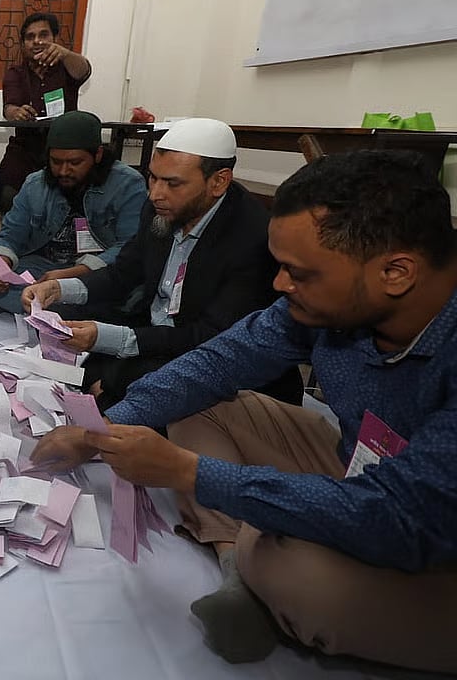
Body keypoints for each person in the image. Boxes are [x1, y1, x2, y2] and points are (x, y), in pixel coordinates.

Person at [32, 150, 457, 674]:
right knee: (197, 406)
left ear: (396, 272)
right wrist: (107, 427)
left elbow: (403, 518)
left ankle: (253, 565)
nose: (279, 285)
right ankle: (239, 567)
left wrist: (192, 474)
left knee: (294, 573)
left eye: (299, 273)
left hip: (428, 532)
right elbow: (218, 362)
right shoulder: (325, 305)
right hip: (364, 468)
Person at [22, 118, 301, 409]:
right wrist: (59, 289)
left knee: (120, 386)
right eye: (153, 178)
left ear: (218, 182)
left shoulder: (253, 239)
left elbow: (209, 337)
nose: (155, 193)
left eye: (172, 183)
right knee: (72, 336)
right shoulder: (161, 207)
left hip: (203, 352)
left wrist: (108, 339)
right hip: (154, 329)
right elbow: (122, 273)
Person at [0, 110, 145, 315]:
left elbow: (130, 246)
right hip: (46, 269)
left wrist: (75, 274)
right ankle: (61, 309)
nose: (63, 171)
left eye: (75, 163)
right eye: (56, 161)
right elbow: (10, 235)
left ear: (97, 155)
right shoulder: (35, 183)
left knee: (136, 291)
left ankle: (41, 306)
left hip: (99, 273)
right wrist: (1, 265)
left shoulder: (128, 184)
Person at [0, 12, 93, 198]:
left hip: (64, 146)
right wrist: (17, 112)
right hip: (26, 147)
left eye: (43, 35)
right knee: (4, 191)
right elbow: (9, 107)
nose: (37, 41)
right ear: (23, 44)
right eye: (30, 37)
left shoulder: (67, 67)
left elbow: (84, 70)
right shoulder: (15, 73)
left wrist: (65, 53)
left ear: (55, 38)